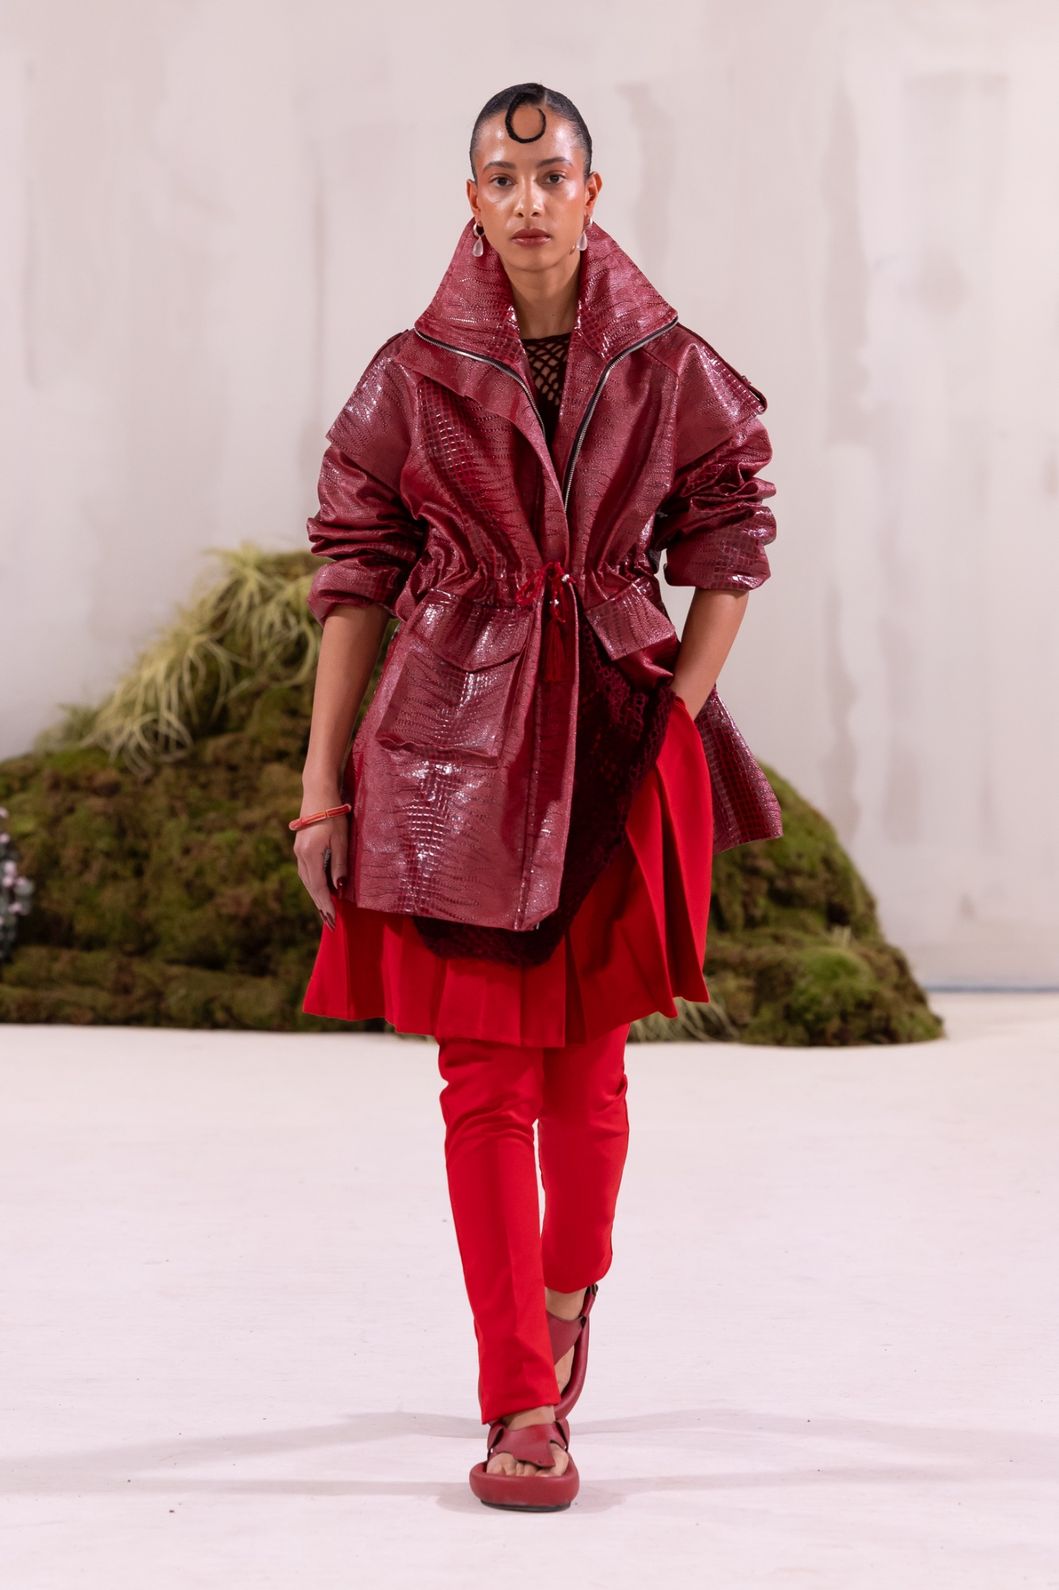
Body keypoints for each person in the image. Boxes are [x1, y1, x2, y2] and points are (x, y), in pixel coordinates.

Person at [291, 82, 780, 1512]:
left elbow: (731, 534)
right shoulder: (412, 374)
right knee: (485, 1081)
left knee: (591, 1074)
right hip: (449, 749)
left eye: (550, 174)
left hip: (619, 736)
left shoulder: (666, 363)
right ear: (471, 201)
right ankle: (519, 1396)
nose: (526, 200)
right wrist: (321, 786)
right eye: (500, 180)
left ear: (591, 191)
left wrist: (675, 713)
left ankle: (569, 1297)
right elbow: (352, 572)